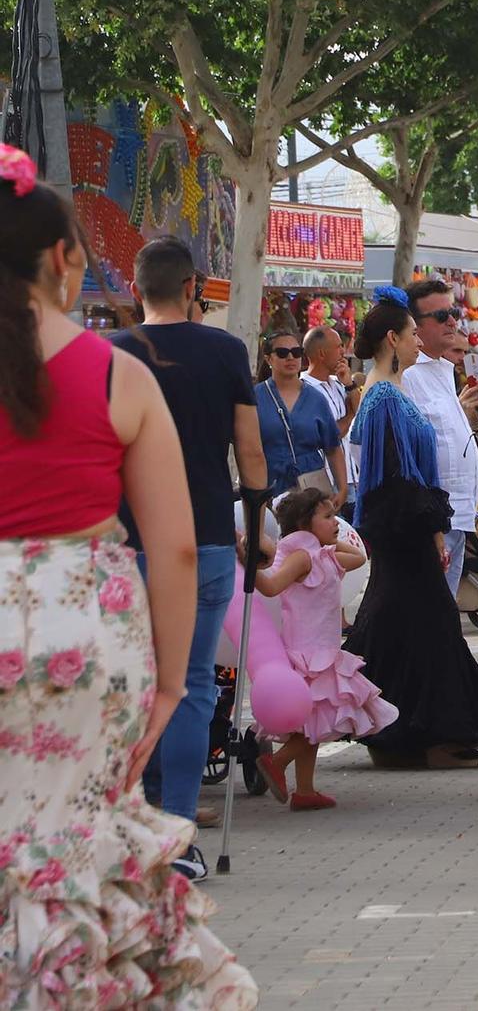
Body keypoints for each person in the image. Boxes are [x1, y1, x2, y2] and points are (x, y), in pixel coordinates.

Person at [0, 147, 257, 1003]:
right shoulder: (119, 372)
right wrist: (166, 691)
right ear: (66, 260)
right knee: (72, 840)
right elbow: (175, 546)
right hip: (86, 638)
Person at [112, 235, 269, 865]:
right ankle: (177, 835)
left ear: (134, 289)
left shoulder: (109, 354)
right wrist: (255, 519)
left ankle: (132, 826)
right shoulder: (226, 352)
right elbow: (250, 452)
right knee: (191, 682)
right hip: (202, 536)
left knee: (133, 682)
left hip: (124, 543)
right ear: (192, 288)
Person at [343, 287, 478, 770]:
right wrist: (427, 526)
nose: (415, 343)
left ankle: (404, 733)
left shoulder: (393, 390)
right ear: (393, 338)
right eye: (411, 334)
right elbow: (394, 475)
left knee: (412, 624)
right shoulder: (383, 396)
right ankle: (417, 734)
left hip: (407, 526)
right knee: (422, 624)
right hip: (401, 530)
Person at [256, 486, 396, 810]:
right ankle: (276, 764)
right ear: (305, 523)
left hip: (321, 650)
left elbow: (360, 557)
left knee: (313, 724)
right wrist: (251, 569)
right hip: (308, 655)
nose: (336, 521)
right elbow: (273, 585)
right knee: (312, 724)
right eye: (328, 516)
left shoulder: (321, 555)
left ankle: (305, 790)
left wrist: (330, 539)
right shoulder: (301, 557)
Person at [402, 278, 478, 599]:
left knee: (442, 618)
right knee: (429, 617)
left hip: (457, 516)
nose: (453, 321)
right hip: (432, 522)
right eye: (441, 316)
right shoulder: (407, 376)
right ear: (414, 326)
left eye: (452, 311)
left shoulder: (442, 372)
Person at [255, 327, 348, 503]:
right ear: (268, 358)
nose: (290, 357)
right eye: (282, 353)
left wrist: (342, 489)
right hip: (269, 487)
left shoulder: (316, 398)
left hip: (313, 488)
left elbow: (333, 447)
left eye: (296, 352)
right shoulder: (256, 398)